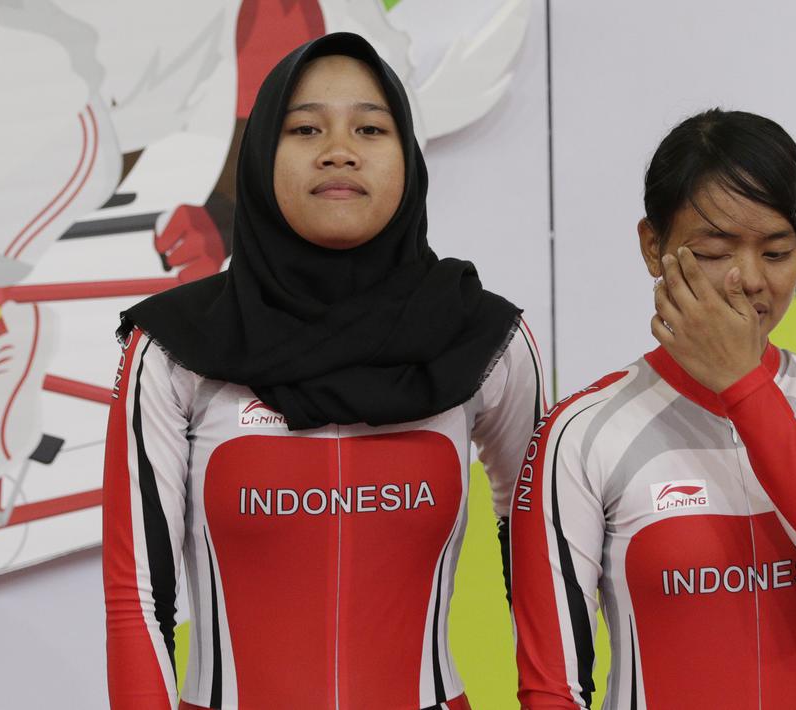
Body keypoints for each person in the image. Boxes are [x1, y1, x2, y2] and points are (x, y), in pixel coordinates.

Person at [102, 33, 546, 710]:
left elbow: (544, 572)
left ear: (407, 157)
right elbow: (136, 596)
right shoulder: (172, 347)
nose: (339, 150)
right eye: (305, 128)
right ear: (260, 156)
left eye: (370, 128)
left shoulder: (484, 338)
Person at [510, 109, 796, 709]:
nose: (747, 279)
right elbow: (551, 690)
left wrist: (742, 384)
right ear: (653, 247)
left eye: (776, 253)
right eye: (715, 251)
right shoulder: (581, 433)